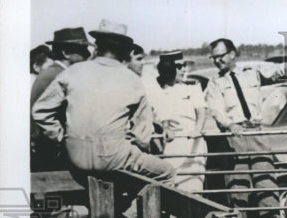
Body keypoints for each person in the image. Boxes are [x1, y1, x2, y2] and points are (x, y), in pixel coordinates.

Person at [32, 19, 176, 183]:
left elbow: (41, 111)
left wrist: (62, 137)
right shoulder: (132, 79)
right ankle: (130, 209)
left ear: (97, 46)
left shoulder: (73, 71)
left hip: (74, 155)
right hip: (113, 156)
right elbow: (142, 135)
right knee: (167, 173)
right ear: (125, 51)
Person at [204, 37, 287, 218]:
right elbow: (216, 109)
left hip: (257, 132)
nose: (217, 61)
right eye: (214, 58)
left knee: (266, 181)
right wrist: (228, 124)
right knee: (238, 185)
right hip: (235, 136)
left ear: (232, 54)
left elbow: (277, 71)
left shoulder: (251, 73)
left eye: (220, 56)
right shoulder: (215, 83)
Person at [148, 51, 207, 196]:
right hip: (171, 144)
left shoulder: (192, 88)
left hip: (193, 143)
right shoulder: (155, 92)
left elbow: (201, 112)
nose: (184, 70)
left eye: (184, 66)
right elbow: (157, 117)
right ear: (169, 69)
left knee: (194, 187)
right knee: (173, 187)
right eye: (179, 67)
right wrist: (165, 128)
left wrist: (197, 130)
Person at [30, 26, 93, 104]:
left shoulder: (55, 72)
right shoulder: (55, 75)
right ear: (66, 53)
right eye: (82, 50)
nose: (88, 54)